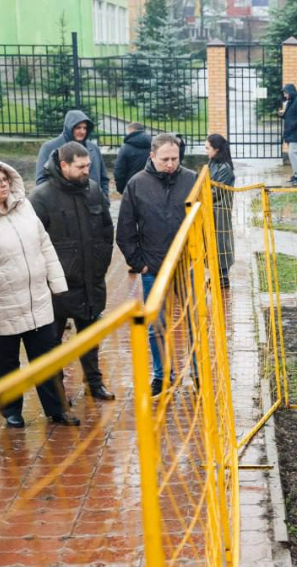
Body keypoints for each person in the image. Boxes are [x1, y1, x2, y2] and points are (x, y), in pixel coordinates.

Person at [0, 159, 80, 428]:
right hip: (0, 302)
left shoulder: (24, 206)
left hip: (37, 299)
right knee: (6, 362)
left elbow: (45, 244)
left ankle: (57, 408)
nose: (4, 184)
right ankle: (11, 411)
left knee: (47, 359)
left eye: (6, 179)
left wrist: (57, 283)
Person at [31, 142, 117, 402]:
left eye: (88, 165)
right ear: (64, 165)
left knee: (90, 336)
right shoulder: (41, 197)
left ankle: (94, 382)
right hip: (57, 286)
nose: (86, 171)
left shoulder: (92, 190)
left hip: (90, 280)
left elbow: (105, 230)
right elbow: (34, 243)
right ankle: (57, 392)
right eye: (80, 167)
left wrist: (100, 264)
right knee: (52, 341)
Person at [115, 132, 197, 397]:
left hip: (187, 265)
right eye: (165, 159)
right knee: (157, 325)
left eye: (175, 158)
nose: (171, 164)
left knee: (194, 321)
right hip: (154, 266)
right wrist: (139, 264)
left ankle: (197, 373)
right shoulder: (137, 184)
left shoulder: (191, 179)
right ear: (152, 156)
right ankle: (162, 375)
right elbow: (125, 229)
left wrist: (201, 256)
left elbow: (204, 219)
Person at [34, 109, 109, 198]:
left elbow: (104, 179)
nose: (82, 131)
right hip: (64, 206)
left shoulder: (93, 148)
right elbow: (41, 181)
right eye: (78, 127)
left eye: (85, 128)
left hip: (93, 206)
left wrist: (104, 200)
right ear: (69, 127)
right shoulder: (49, 147)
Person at [205, 133, 235, 288]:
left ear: (216, 149)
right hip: (211, 209)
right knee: (211, 242)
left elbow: (216, 192)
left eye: (208, 148)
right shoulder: (212, 163)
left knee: (221, 242)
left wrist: (202, 194)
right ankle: (216, 274)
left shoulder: (225, 168)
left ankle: (223, 275)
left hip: (220, 210)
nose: (206, 151)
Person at [278, 83, 297, 186]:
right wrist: (282, 115)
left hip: (296, 131)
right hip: (291, 131)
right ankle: (296, 175)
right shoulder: (291, 101)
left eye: (286, 93)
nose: (285, 96)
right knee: (292, 153)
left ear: (291, 92)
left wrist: (292, 126)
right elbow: (289, 115)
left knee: (293, 153)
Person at [114, 121, 151, 195]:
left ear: (130, 131)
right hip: (151, 186)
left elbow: (119, 170)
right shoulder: (153, 145)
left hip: (132, 186)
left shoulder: (125, 147)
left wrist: (121, 189)